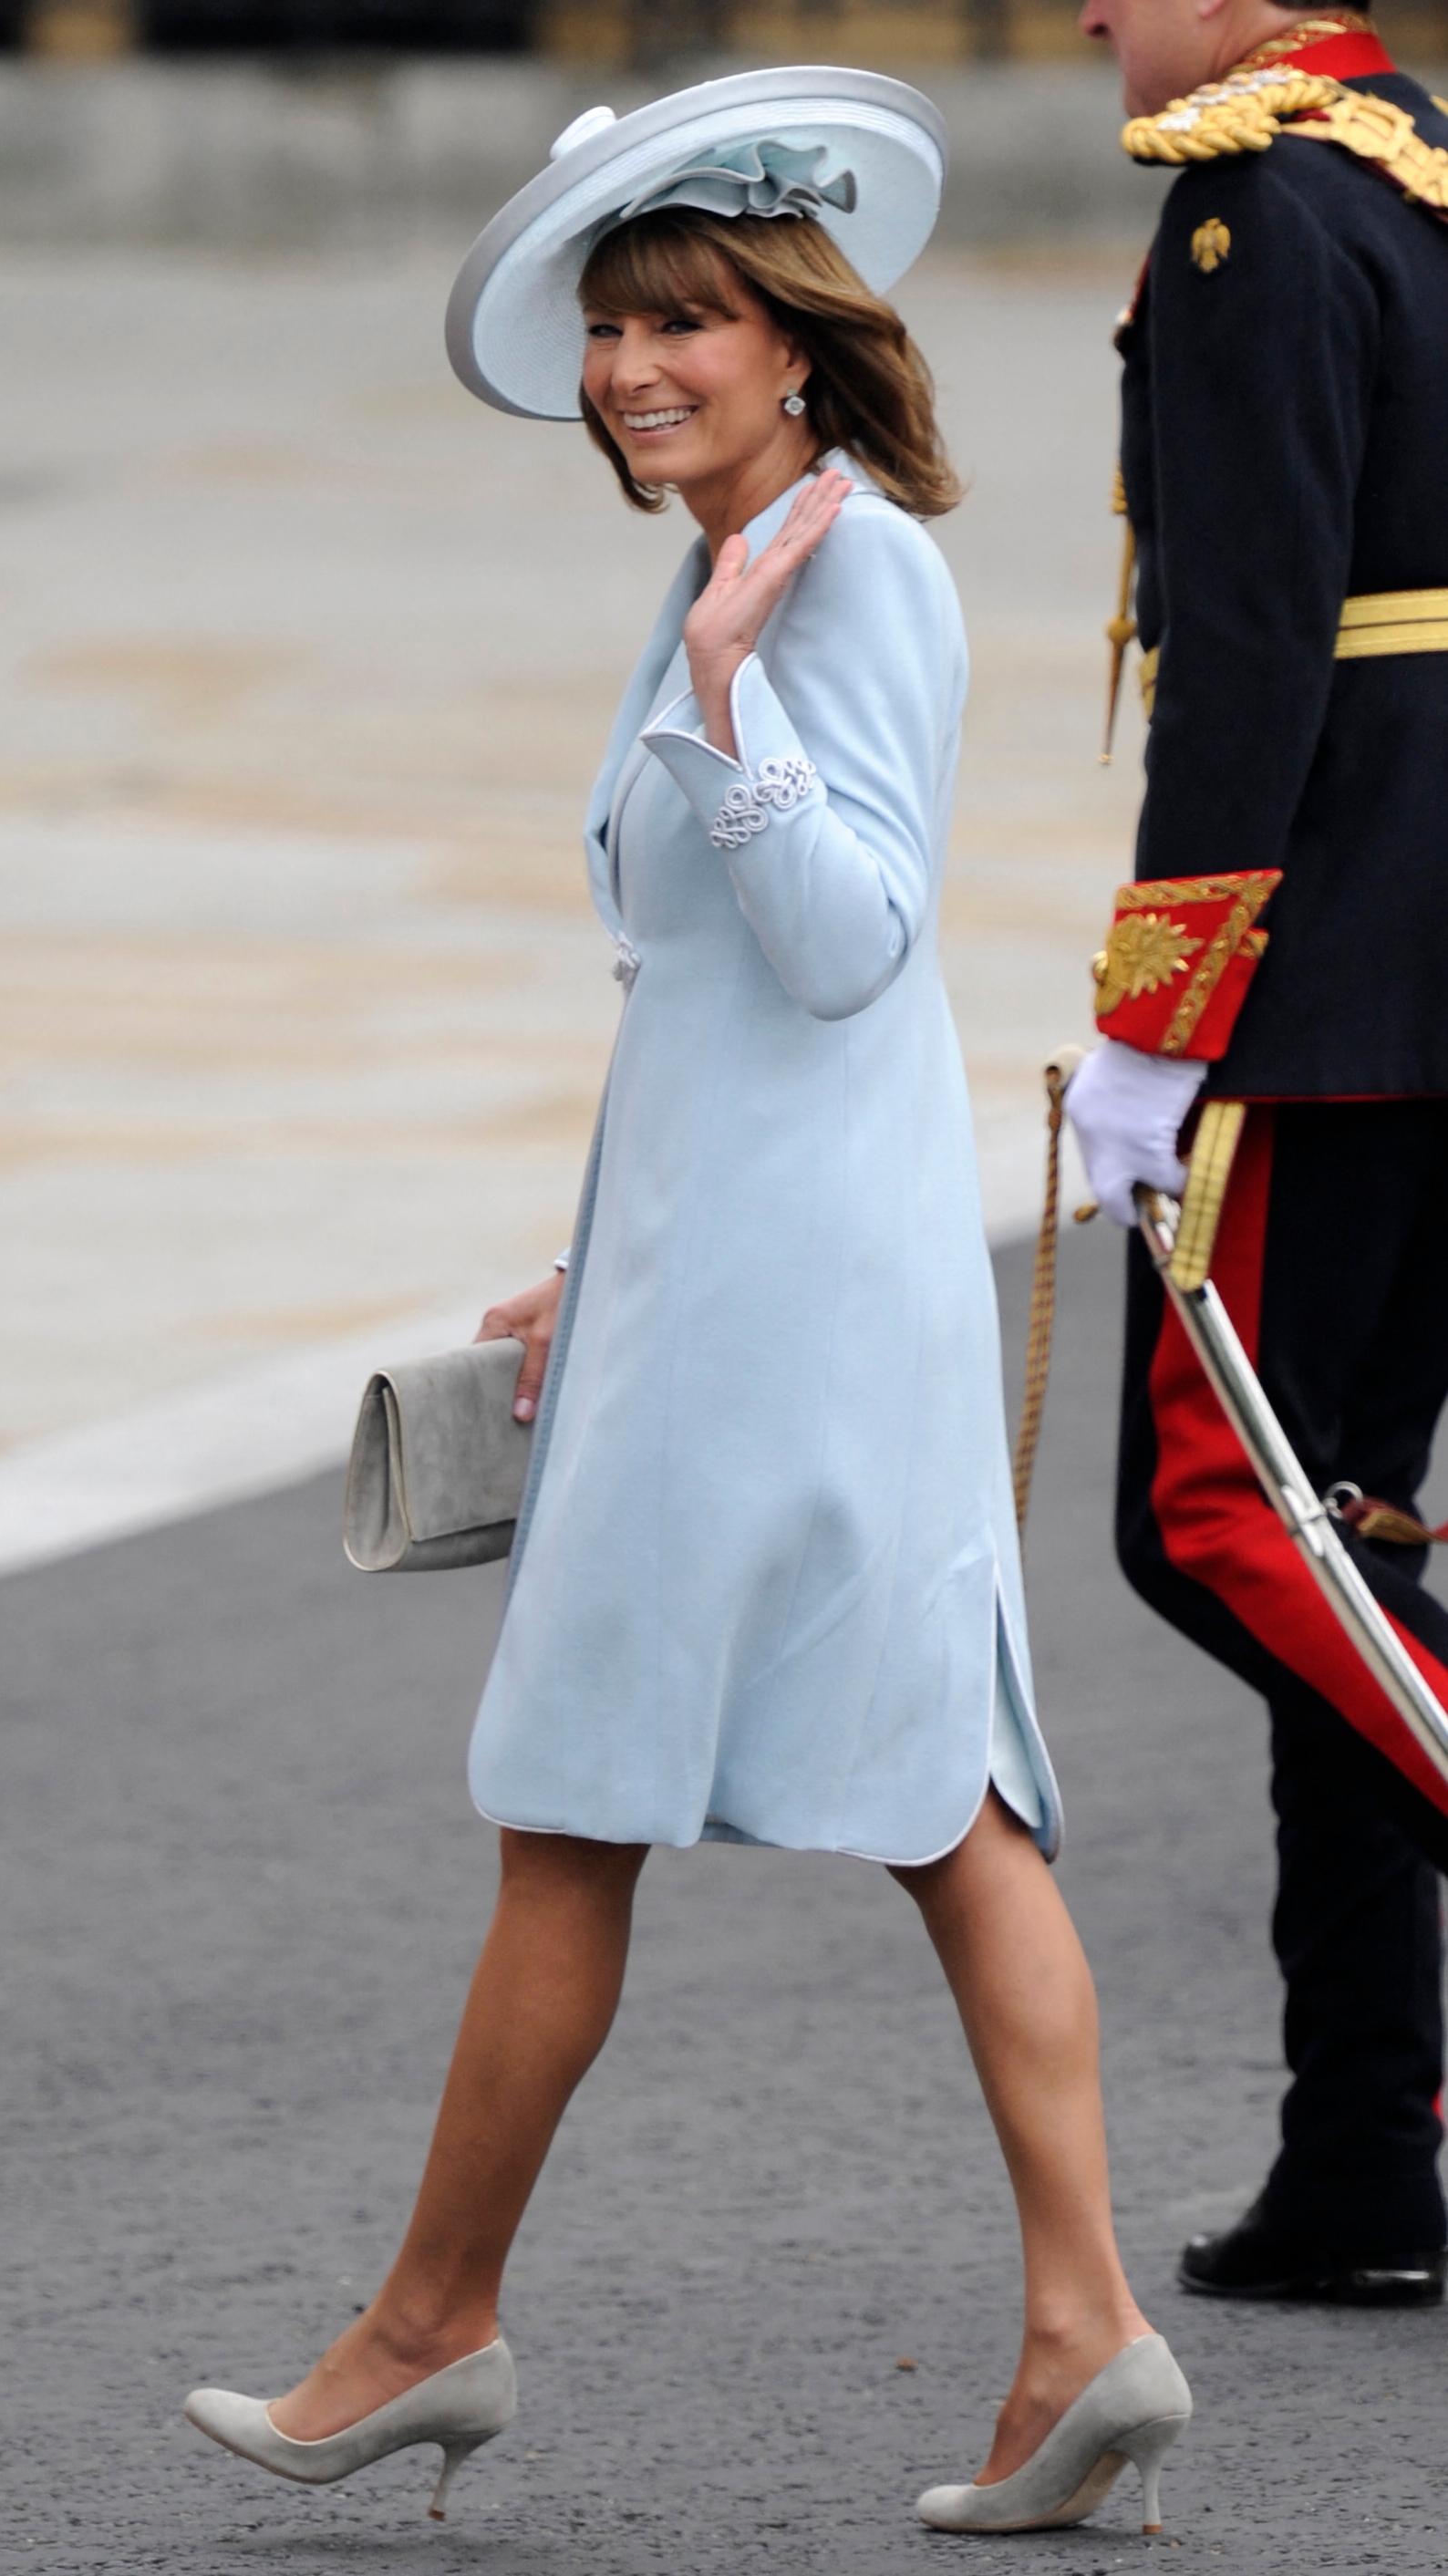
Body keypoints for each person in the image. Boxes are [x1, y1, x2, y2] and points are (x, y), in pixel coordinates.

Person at [181, 69, 1190, 2535]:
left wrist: (730, 690)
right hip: (751, 1252)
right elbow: (715, 1006)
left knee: (576, 1807)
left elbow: (844, 945)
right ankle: (1084, 2339)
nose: (636, 369)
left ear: (796, 342)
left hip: (780, 1292)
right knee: (942, 1802)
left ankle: (429, 2327)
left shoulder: (829, 575)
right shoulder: (759, 549)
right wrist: (598, 1232)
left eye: (687, 324)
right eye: (617, 328)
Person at [1068, 0, 1448, 2303]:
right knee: (1353, 1539)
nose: (1098, 15)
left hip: (1327, 990)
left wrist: (1154, 1020)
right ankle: (1362, 2153)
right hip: (1437, 957)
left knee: (1214, 1525)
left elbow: (1243, 649)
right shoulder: (1423, 159)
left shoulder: (1255, 210)